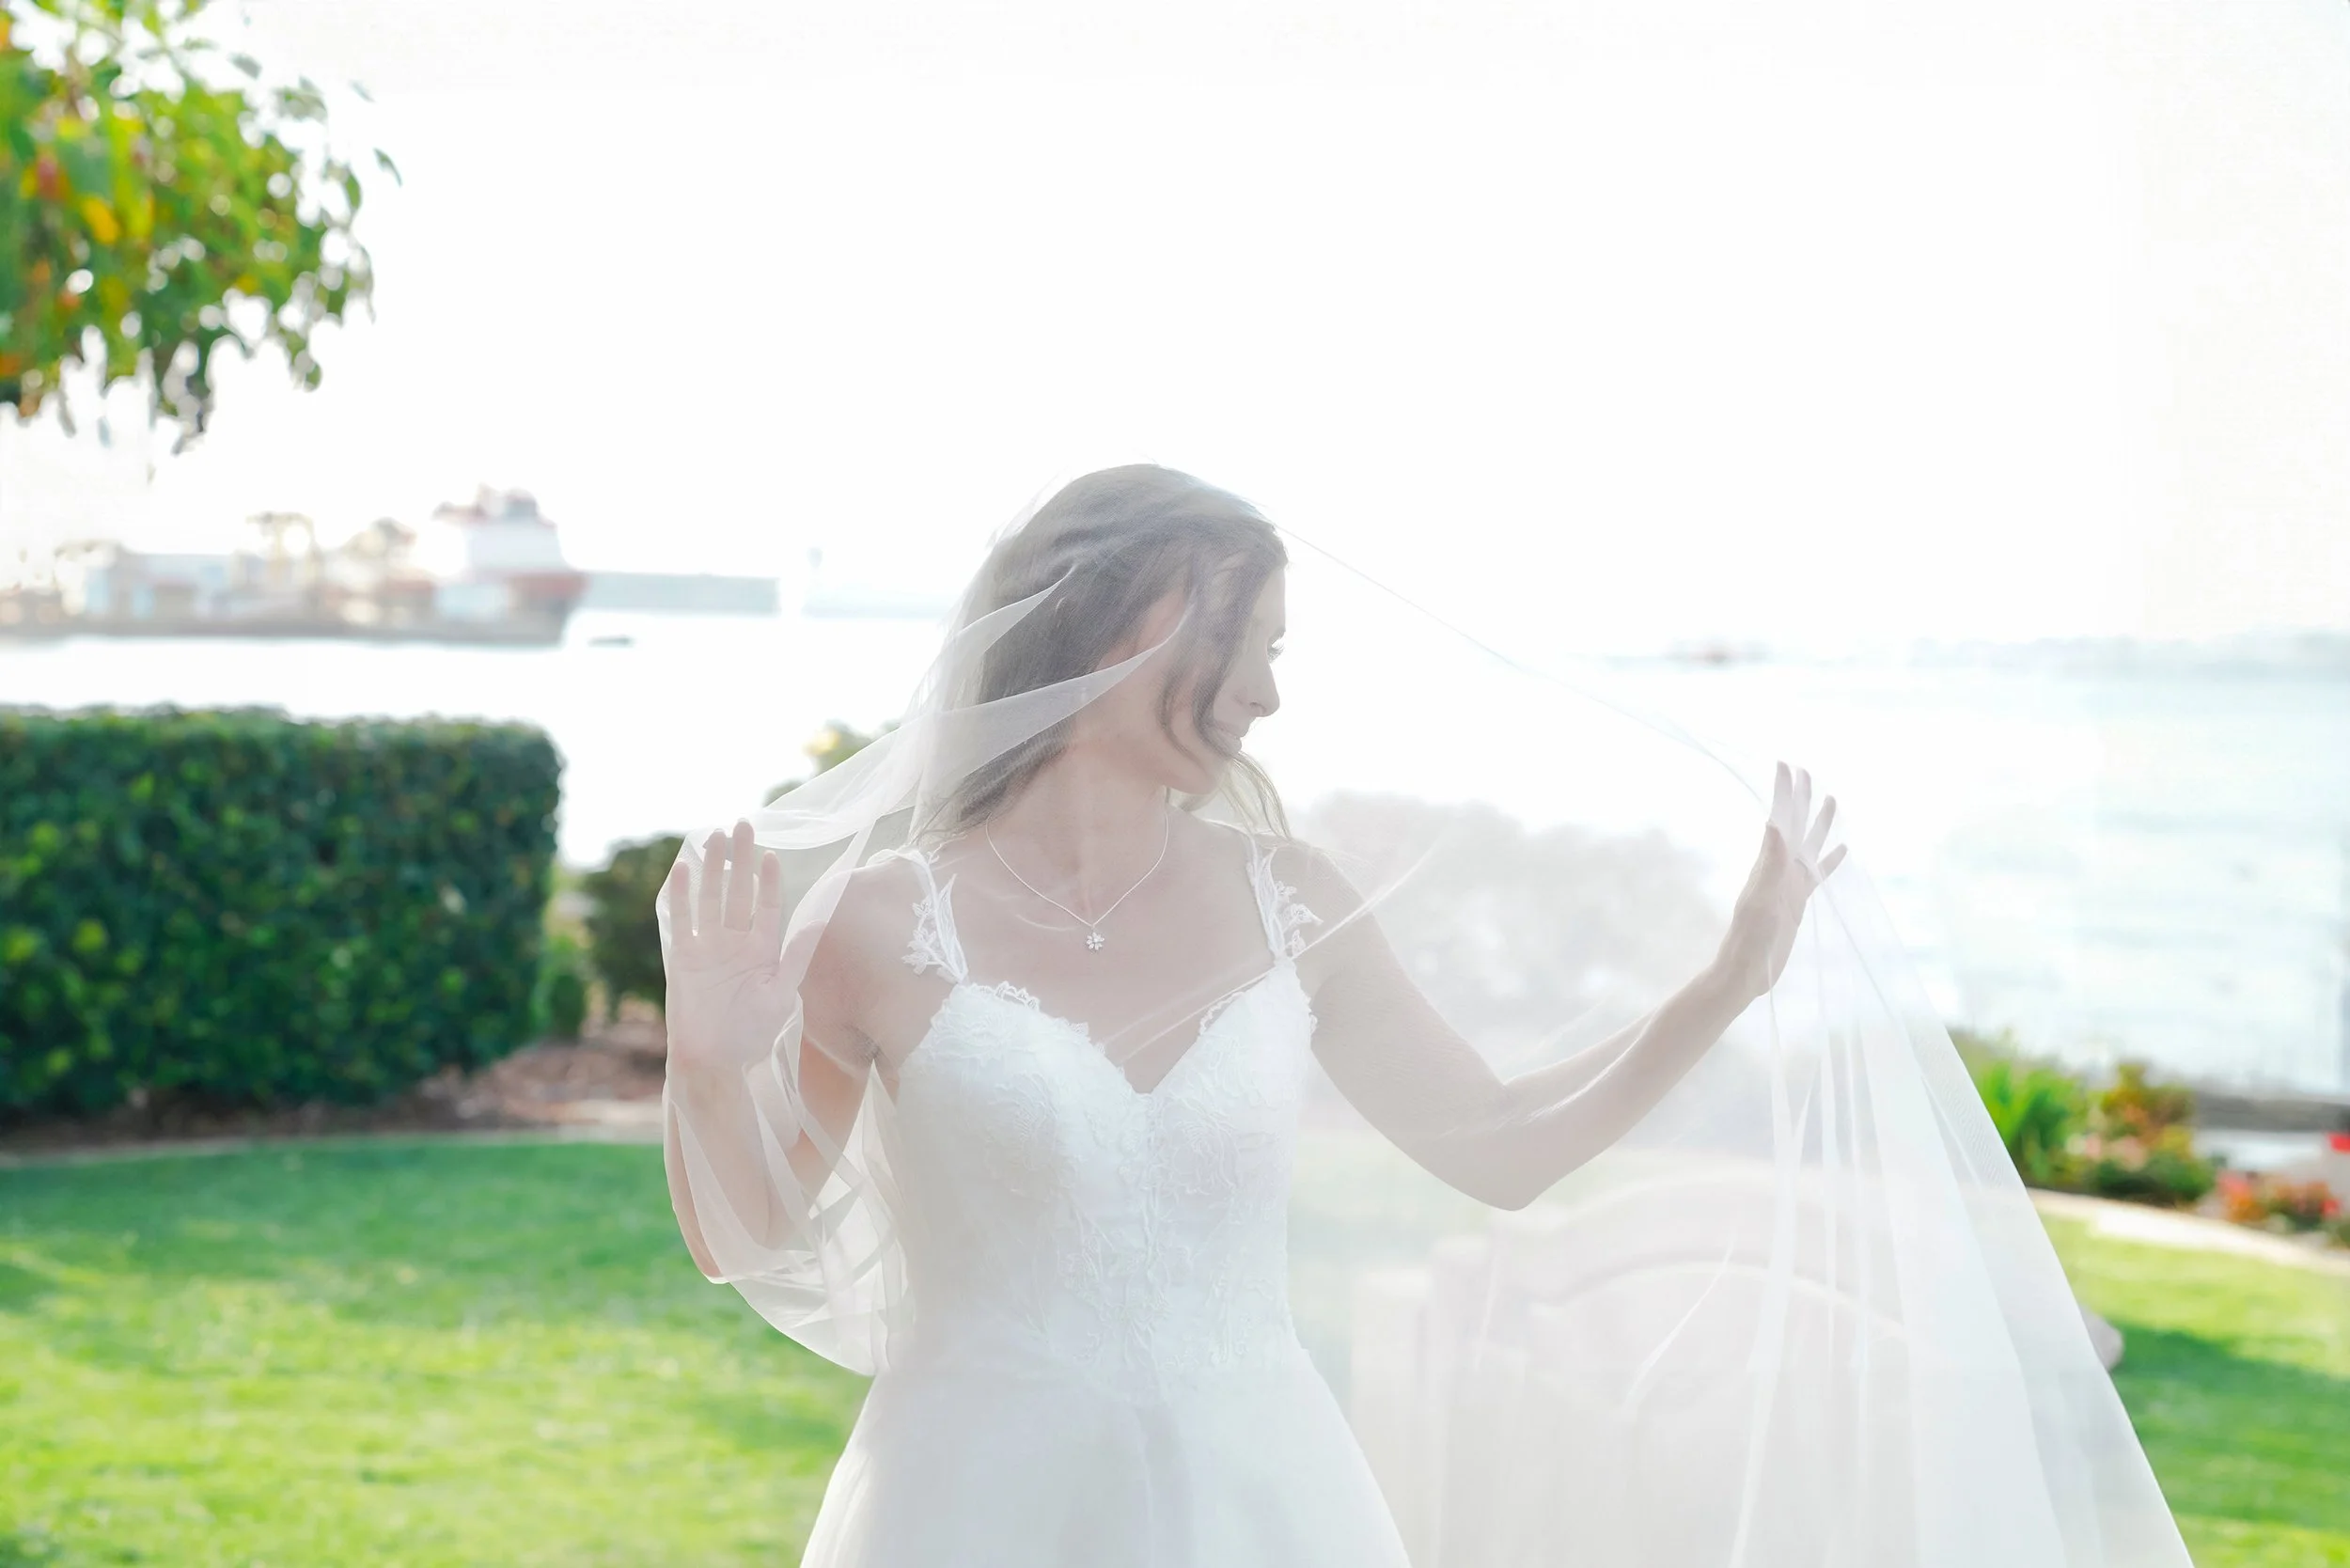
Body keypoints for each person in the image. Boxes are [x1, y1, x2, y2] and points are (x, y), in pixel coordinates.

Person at [657, 465, 2191, 1566]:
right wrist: (717, 1070)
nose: (1265, 694)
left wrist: (1725, 983)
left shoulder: (1291, 899)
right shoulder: (873, 922)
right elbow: (749, 1233)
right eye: (1245, 647)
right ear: (1127, 626)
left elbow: (1504, 1146)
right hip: (972, 1502)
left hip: (1263, 1494)